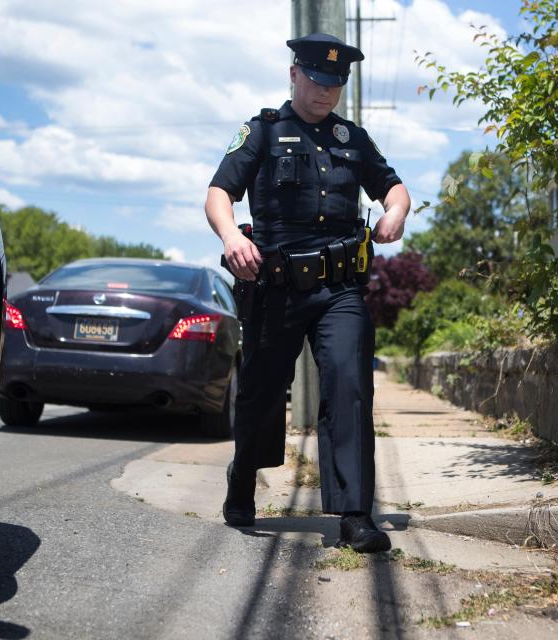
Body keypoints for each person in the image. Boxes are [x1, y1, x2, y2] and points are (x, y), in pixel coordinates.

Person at [204, 32, 411, 553]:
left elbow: (393, 186)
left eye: (336, 83)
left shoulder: (353, 138)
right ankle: (243, 474)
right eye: (318, 80)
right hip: (274, 288)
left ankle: (355, 513)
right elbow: (219, 193)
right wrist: (231, 237)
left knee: (348, 384)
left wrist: (395, 212)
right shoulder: (263, 132)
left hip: (340, 289)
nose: (326, 91)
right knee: (261, 393)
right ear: (294, 74)